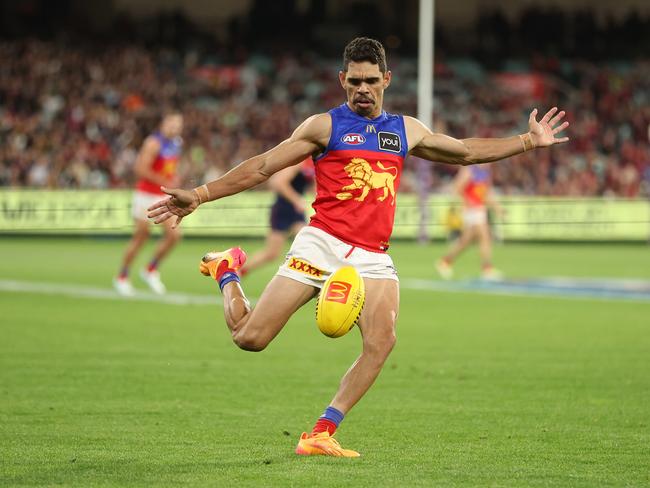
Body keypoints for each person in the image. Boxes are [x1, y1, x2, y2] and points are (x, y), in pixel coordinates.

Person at [147, 37, 569, 457]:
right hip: (321, 242)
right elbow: (261, 165)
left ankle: (320, 432)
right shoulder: (324, 127)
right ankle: (226, 271)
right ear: (342, 80)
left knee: (382, 342)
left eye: (370, 80)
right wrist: (200, 195)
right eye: (354, 81)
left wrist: (528, 141)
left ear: (386, 79)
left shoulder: (405, 130)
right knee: (249, 338)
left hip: (372, 254)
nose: (362, 89)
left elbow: (464, 152)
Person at [114, 112, 184, 296]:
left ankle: (150, 269)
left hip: (162, 195)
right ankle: (122, 276)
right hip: (145, 195)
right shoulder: (153, 143)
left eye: (178, 125)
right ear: (163, 124)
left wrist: (173, 177)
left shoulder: (177, 143)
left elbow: (169, 167)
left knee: (174, 236)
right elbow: (140, 169)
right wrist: (164, 180)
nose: (174, 128)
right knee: (141, 237)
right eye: (171, 123)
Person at [239, 158, 315, 276]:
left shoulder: (314, 161)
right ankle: (240, 271)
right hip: (283, 209)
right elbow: (277, 182)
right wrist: (296, 200)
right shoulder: (299, 160)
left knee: (307, 245)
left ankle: (305, 279)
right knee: (271, 254)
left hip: (296, 211)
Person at [436, 164, 503, 279]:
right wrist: (467, 202)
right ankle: (487, 269)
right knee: (485, 236)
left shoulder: (486, 171)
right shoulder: (470, 169)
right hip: (471, 209)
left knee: (466, 241)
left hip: (479, 208)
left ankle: (445, 261)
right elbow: (457, 187)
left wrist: (497, 208)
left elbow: (486, 192)